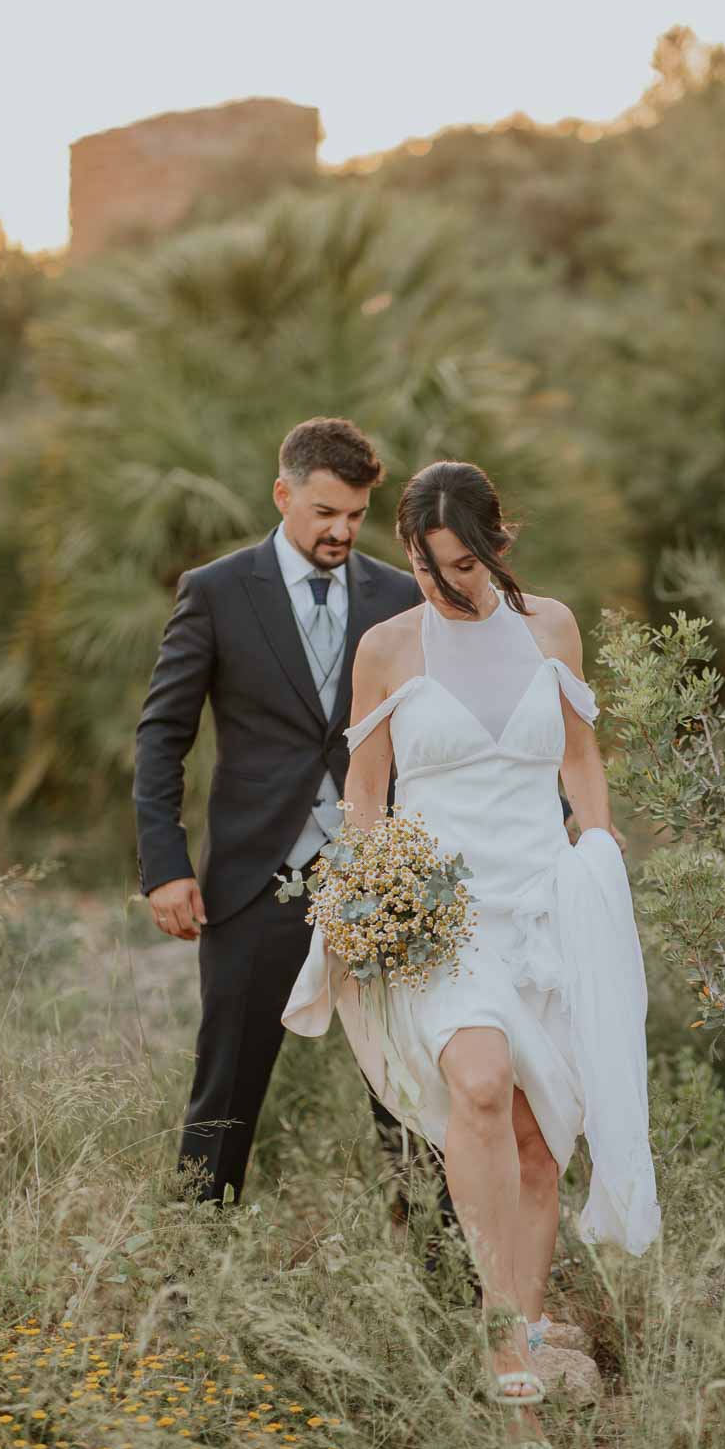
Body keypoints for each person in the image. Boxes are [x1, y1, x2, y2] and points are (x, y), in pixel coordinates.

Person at [283, 459, 660, 1449]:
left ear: (501, 539)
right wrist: (374, 885)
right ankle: (505, 1357)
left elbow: (580, 756)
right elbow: (365, 790)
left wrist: (601, 838)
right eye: (427, 564)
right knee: (481, 1086)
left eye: (464, 563)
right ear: (403, 549)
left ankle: (523, 1350)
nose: (448, 585)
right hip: (445, 912)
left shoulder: (553, 629)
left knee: (542, 1144)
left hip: (544, 906)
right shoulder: (387, 646)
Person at [133, 416, 448, 1218]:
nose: (341, 530)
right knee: (227, 1084)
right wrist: (164, 864)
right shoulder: (214, 590)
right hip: (254, 878)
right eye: (324, 512)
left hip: (378, 874)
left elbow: (440, 729)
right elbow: (163, 735)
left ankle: (445, 1279)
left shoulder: (400, 596)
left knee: (408, 1087)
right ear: (284, 495)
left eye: (355, 514)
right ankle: (191, 1262)